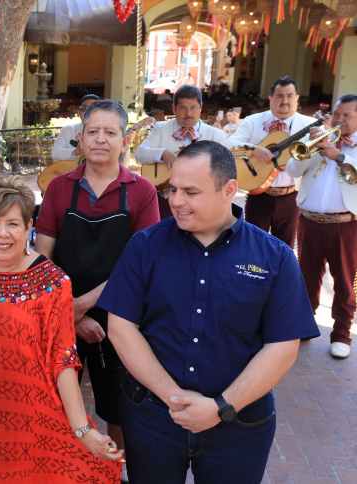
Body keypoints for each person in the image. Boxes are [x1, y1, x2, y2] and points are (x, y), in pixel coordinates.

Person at [100, 140, 319, 484]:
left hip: (240, 424)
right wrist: (174, 398)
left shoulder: (274, 257)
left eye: (191, 192)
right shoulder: (145, 246)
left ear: (229, 190)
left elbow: (283, 346)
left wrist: (222, 407)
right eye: (172, 189)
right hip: (153, 418)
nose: (175, 201)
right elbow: (121, 327)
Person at [0, 178, 123, 483]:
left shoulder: (52, 284)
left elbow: (63, 360)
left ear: (28, 227)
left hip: (27, 421)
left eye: (12, 224)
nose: (2, 233)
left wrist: (82, 429)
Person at [35, 100, 160, 474]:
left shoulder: (142, 191)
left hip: (120, 317)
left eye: (110, 132)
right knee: (57, 401)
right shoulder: (59, 188)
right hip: (61, 313)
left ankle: (114, 472)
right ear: (81, 139)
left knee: (118, 408)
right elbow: (42, 258)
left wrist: (83, 305)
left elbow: (141, 265)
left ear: (125, 140)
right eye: (93, 132)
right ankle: (60, 473)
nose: (101, 139)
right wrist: (70, 313)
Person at [286, 94, 357, 358]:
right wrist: (312, 144)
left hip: (345, 225)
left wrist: (339, 156)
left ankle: (341, 334)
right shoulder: (320, 139)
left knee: (345, 281)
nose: (339, 119)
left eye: (346, 115)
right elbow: (293, 169)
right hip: (309, 221)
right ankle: (304, 325)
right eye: (337, 114)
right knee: (306, 277)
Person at [229, 76, 317, 247]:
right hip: (259, 194)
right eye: (279, 96)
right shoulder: (253, 121)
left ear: (297, 98)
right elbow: (230, 143)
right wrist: (254, 149)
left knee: (285, 248)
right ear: (270, 98)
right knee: (254, 246)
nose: (285, 101)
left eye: (290, 96)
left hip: (292, 196)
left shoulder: (311, 125)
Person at [135, 85, 231, 219]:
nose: (188, 113)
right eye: (183, 108)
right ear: (174, 108)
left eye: (193, 108)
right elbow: (139, 154)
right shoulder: (161, 129)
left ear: (201, 108)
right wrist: (163, 154)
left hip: (201, 202)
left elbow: (226, 167)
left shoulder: (216, 135)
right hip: (165, 198)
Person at [51, 94, 101, 161]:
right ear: (79, 112)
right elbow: (54, 154)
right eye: (84, 109)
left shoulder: (106, 132)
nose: (87, 112)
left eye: (92, 109)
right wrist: (75, 151)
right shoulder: (68, 129)